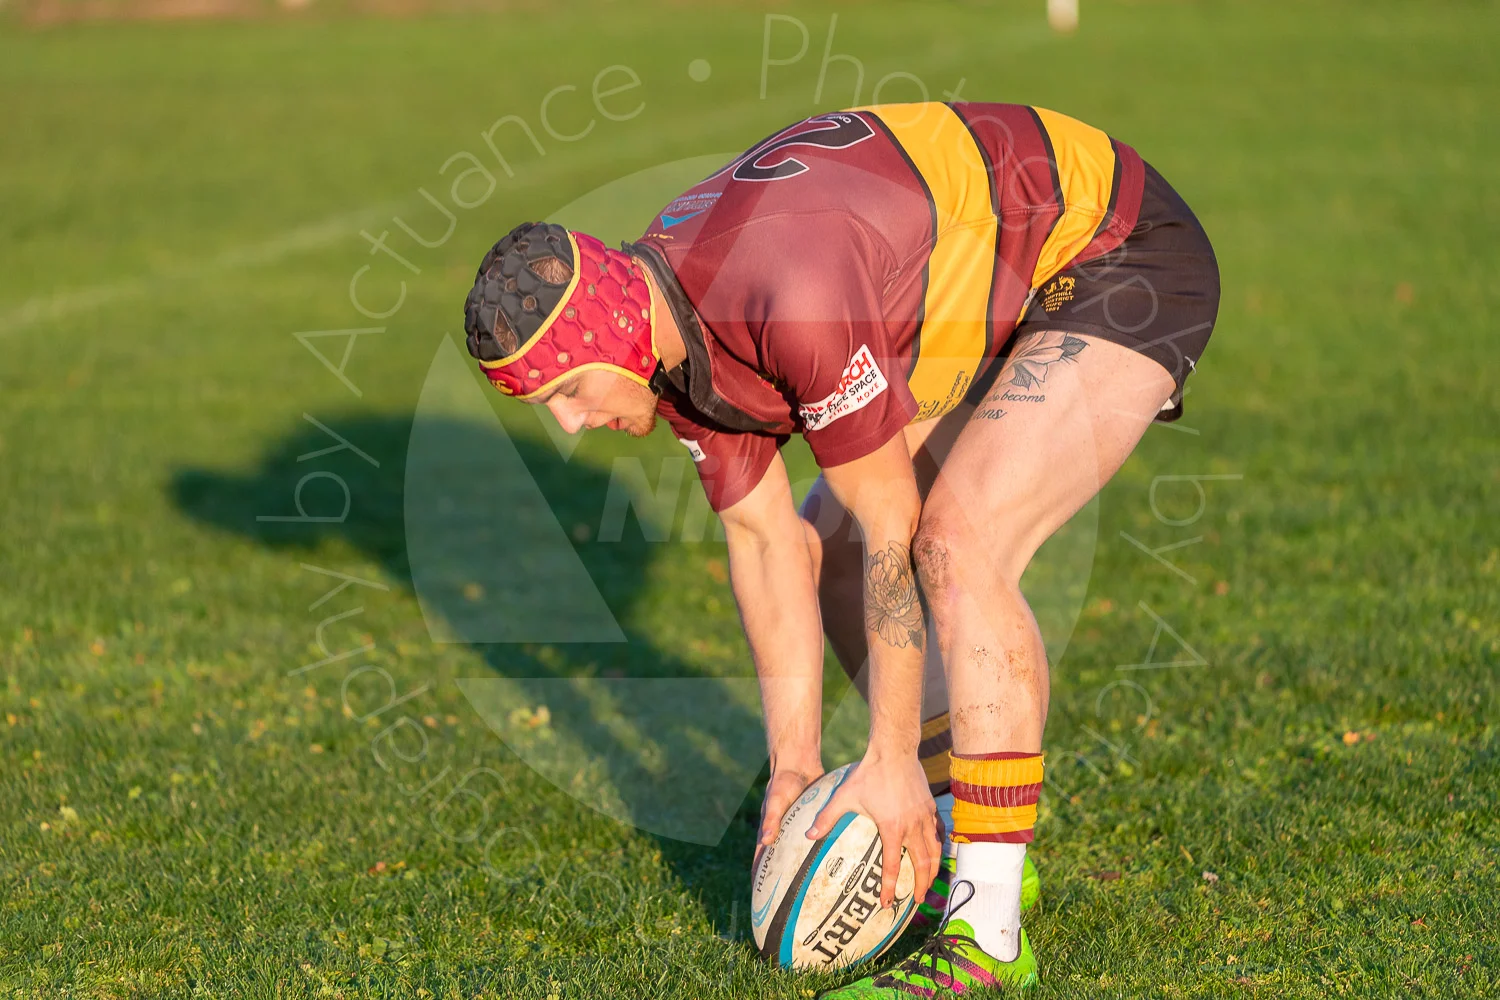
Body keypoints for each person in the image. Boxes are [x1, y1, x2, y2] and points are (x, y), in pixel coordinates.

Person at [462, 101, 1219, 996]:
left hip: (1114, 250)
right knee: (834, 541)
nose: (571, 420)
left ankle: (987, 938)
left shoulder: (784, 295)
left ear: (611, 333)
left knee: (953, 544)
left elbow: (895, 520)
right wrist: (794, 768)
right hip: (984, 281)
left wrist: (888, 755)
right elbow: (765, 540)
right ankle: (952, 828)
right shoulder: (664, 329)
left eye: (569, 388)